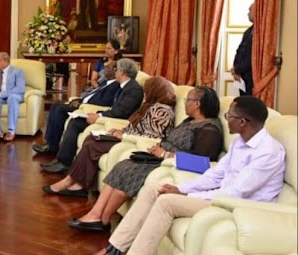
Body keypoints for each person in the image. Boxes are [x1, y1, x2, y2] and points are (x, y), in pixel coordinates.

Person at [77, 96, 285, 255]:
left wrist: (187, 197)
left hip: (239, 207)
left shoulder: (268, 152)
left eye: (229, 116)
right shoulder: (240, 142)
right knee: (156, 187)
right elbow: (215, 175)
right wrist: (181, 188)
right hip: (222, 197)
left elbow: (236, 192)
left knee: (166, 202)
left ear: (242, 121)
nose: (226, 119)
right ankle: (115, 250)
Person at [68, 86, 223, 232]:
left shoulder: (210, 129)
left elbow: (201, 162)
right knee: (123, 164)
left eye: (187, 100)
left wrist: (165, 154)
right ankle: (96, 214)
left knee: (130, 171)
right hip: (159, 158)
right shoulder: (189, 121)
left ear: (197, 104)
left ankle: (103, 218)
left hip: (171, 165)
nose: (184, 104)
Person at [44, 76, 177, 197]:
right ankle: (78, 184)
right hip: (128, 136)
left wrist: (124, 134)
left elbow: (152, 135)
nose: (145, 93)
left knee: (93, 144)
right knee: (91, 138)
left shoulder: (162, 110)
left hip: (134, 143)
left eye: (147, 90)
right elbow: (139, 127)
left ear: (155, 90)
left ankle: (71, 182)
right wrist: (121, 129)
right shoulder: (150, 105)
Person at [41, 58, 144, 172]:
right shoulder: (124, 86)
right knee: (75, 121)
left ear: (123, 72)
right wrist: (99, 114)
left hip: (114, 123)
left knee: (76, 123)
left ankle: (64, 162)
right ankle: (61, 160)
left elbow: (121, 112)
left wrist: (99, 116)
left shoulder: (133, 89)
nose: (115, 72)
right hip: (108, 117)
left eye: (117, 69)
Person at [33, 60, 121, 155]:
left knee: (60, 109)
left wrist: (81, 103)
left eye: (107, 68)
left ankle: (52, 146)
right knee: (55, 105)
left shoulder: (114, 85)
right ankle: (49, 142)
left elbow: (103, 102)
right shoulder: (106, 82)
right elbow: (93, 94)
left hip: (87, 108)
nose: (103, 70)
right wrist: (79, 99)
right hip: (82, 103)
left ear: (114, 71)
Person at [231, 3, 255, 95]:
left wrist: (237, 69)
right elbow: (239, 51)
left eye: (250, 10)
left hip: (251, 77)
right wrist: (235, 69)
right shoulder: (248, 31)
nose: (248, 13)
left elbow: (252, 56)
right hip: (242, 77)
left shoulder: (261, 33)